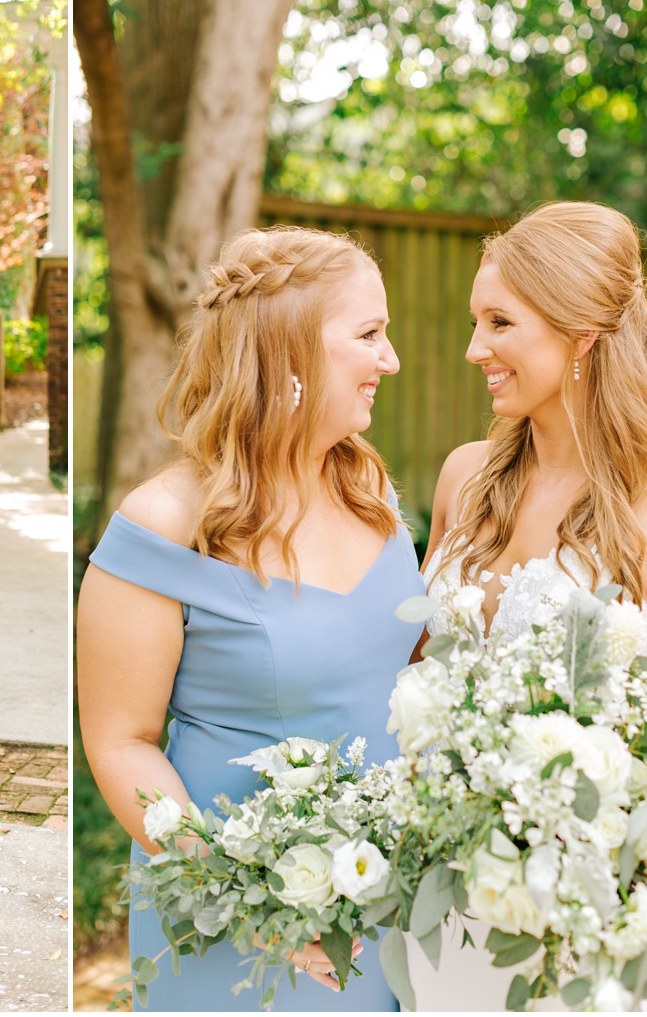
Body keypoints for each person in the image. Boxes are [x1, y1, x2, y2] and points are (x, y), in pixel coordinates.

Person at [76, 227, 423, 1010]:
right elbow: (119, 743)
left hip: (384, 907)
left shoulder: (371, 493)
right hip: (239, 938)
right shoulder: (164, 525)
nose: (390, 359)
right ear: (290, 354)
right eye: (369, 335)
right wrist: (254, 903)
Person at [411, 201, 647, 1009]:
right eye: (474, 321)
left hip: (583, 926)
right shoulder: (466, 477)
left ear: (581, 339)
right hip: (436, 898)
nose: (473, 349)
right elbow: (414, 665)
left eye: (499, 323)